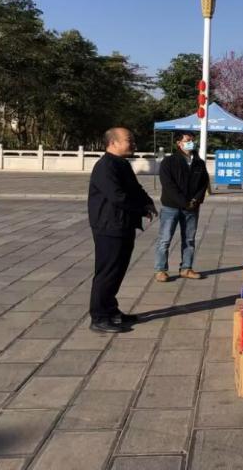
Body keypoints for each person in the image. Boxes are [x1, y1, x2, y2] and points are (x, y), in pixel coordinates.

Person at [87, 127, 157, 333]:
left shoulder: (122, 164)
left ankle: (111, 310)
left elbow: (135, 189)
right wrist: (139, 208)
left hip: (123, 225)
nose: (133, 143)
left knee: (118, 271)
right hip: (109, 227)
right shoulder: (105, 166)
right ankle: (99, 317)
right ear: (113, 143)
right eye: (129, 140)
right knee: (107, 272)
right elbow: (117, 196)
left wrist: (147, 202)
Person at [155, 132, 210, 282]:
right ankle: (161, 270)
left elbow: (204, 183)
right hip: (171, 206)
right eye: (187, 140)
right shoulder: (169, 161)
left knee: (189, 239)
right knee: (165, 239)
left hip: (192, 207)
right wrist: (184, 202)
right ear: (179, 143)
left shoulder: (199, 162)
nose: (191, 142)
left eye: (192, 140)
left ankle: (186, 268)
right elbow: (168, 185)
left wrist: (195, 200)